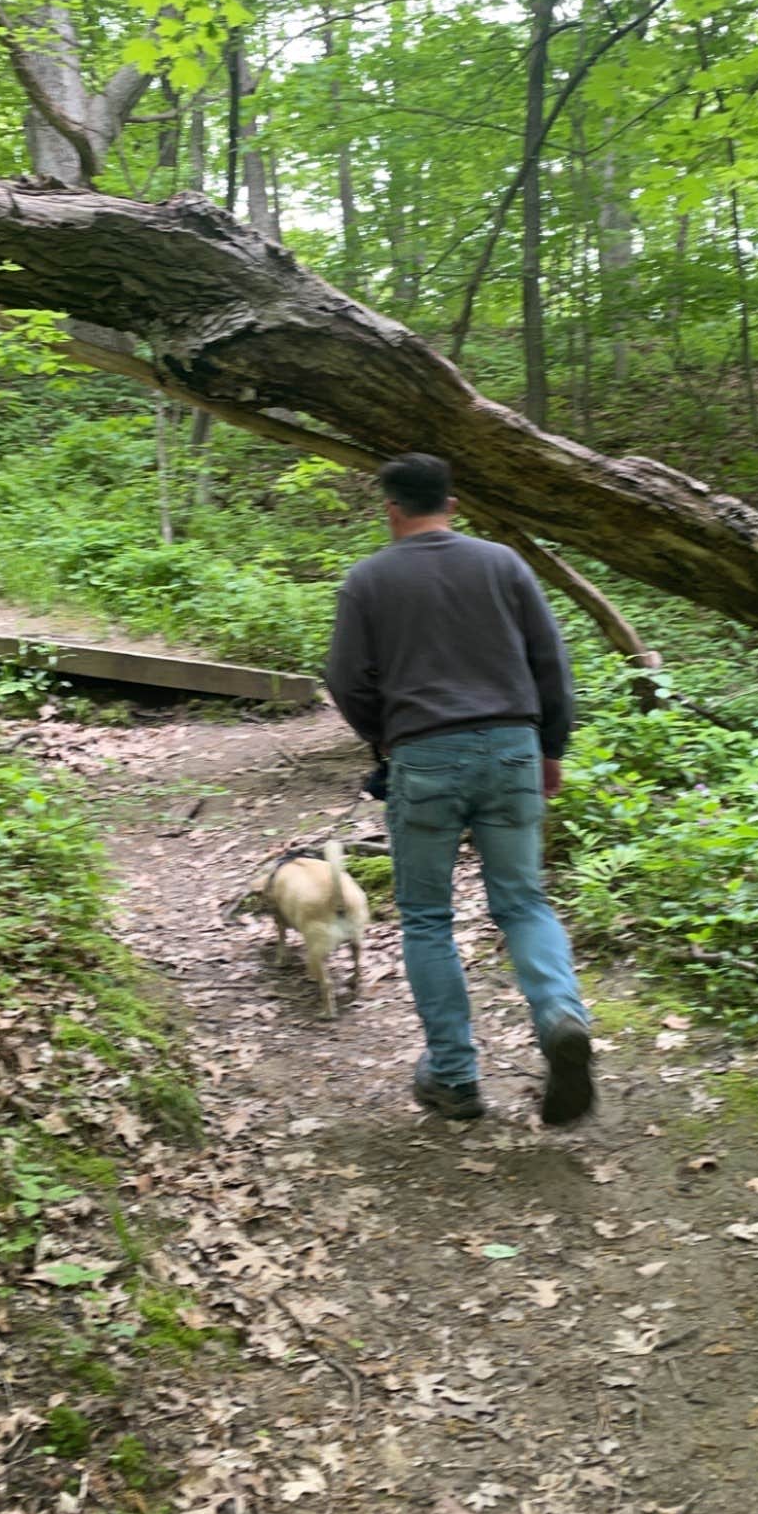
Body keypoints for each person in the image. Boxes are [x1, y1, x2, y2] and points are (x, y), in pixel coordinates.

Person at [325, 452, 593, 1126]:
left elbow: (345, 679)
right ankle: (560, 1016)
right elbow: (550, 665)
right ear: (453, 503)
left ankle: (454, 1077)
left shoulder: (368, 580)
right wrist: (551, 748)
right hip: (511, 749)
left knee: (426, 918)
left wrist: (384, 735)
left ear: (391, 508)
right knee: (524, 902)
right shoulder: (503, 564)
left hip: (425, 755)